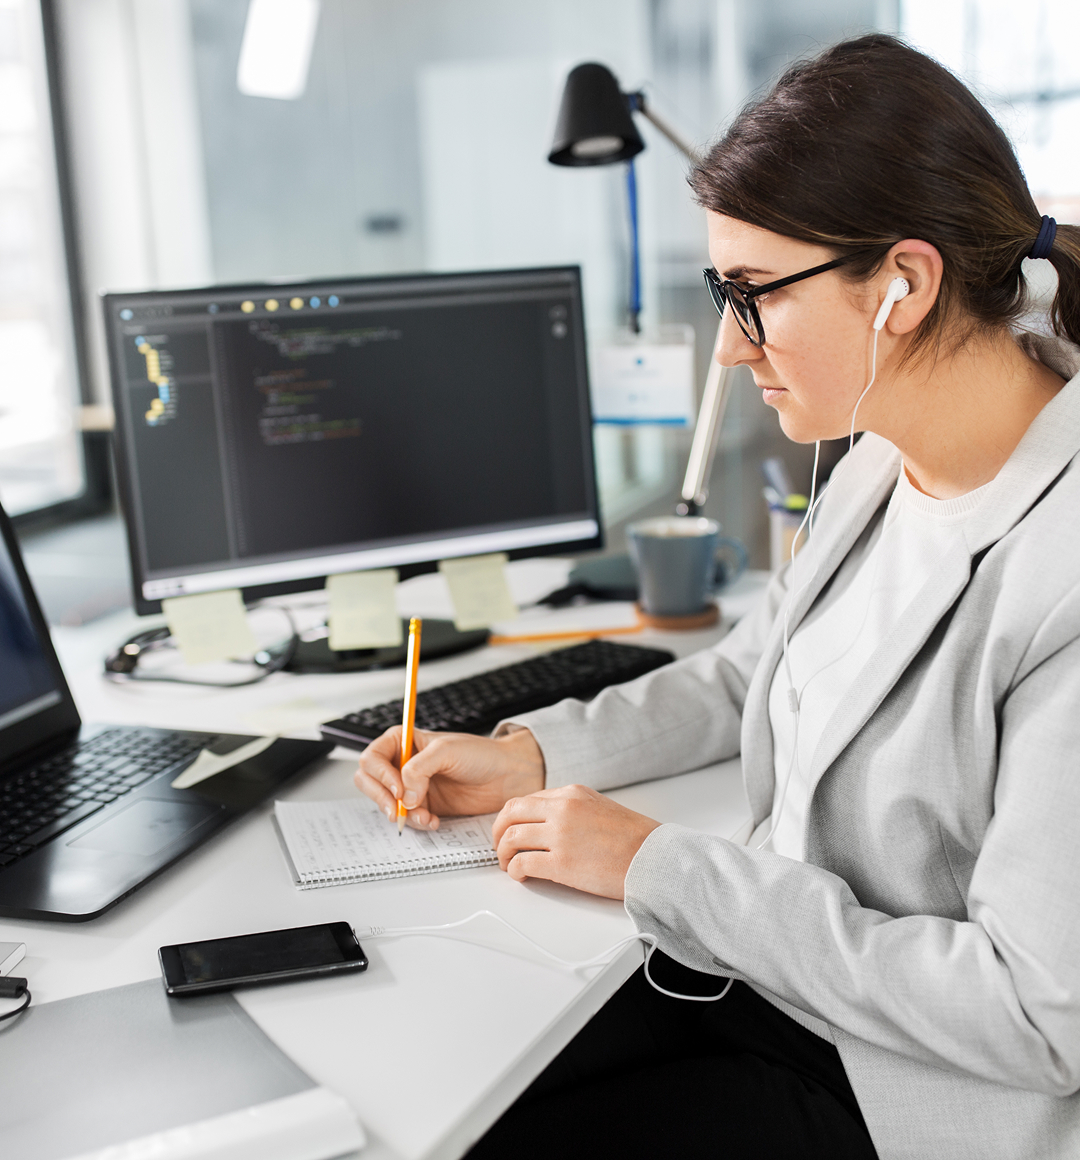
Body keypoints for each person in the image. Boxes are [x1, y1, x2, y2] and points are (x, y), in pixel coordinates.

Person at [355, 34, 1080, 1160]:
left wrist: (662, 864)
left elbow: (1036, 1014)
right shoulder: (880, 455)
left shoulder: (1062, 573)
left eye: (752, 297)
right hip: (768, 982)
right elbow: (756, 665)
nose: (732, 352)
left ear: (906, 283)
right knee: (409, 1098)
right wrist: (530, 754)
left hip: (898, 1085)